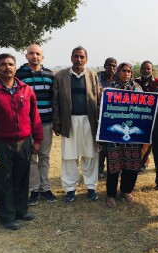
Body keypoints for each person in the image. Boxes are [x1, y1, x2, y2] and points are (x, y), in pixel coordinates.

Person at [0, 53, 43, 230]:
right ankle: (7, 216)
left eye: (10, 64)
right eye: (3, 64)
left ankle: (21, 210)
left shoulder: (26, 90)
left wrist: (37, 139)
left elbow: (35, 117)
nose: (7, 67)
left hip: (24, 141)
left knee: (21, 178)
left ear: (15, 67)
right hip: (2, 143)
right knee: (3, 180)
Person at [52, 46, 100, 202]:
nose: (79, 60)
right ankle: (70, 189)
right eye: (76, 56)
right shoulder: (60, 76)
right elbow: (55, 102)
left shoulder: (92, 75)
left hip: (88, 120)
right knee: (69, 156)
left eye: (82, 57)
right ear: (71, 58)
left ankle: (91, 187)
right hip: (69, 120)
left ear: (86, 59)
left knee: (90, 154)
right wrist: (57, 122)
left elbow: (98, 100)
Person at [16, 44, 57, 206]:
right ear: (26, 56)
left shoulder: (49, 74)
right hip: (27, 124)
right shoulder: (19, 75)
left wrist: (56, 121)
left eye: (38, 54)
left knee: (45, 157)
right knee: (31, 157)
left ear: (42, 57)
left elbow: (54, 99)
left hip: (46, 122)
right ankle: (34, 189)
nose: (35, 56)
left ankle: (45, 188)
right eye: (31, 53)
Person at [105, 62, 143, 208]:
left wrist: (156, 98)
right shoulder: (110, 88)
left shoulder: (138, 88)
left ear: (131, 73)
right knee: (114, 165)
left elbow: (145, 108)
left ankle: (126, 191)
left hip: (133, 134)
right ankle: (111, 195)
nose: (126, 73)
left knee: (132, 164)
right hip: (114, 135)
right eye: (123, 71)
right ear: (118, 72)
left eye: (128, 71)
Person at [134, 61, 158, 187]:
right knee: (141, 140)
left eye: (148, 69)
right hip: (139, 117)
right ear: (140, 69)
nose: (146, 71)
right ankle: (142, 162)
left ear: (152, 70)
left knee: (156, 142)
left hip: (155, 117)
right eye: (144, 68)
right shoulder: (135, 82)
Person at [97, 57, 118, 179]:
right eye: (109, 65)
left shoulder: (118, 79)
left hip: (115, 117)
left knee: (113, 145)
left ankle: (113, 169)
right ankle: (99, 169)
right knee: (101, 146)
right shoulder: (97, 78)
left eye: (114, 66)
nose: (111, 68)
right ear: (105, 66)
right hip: (99, 116)